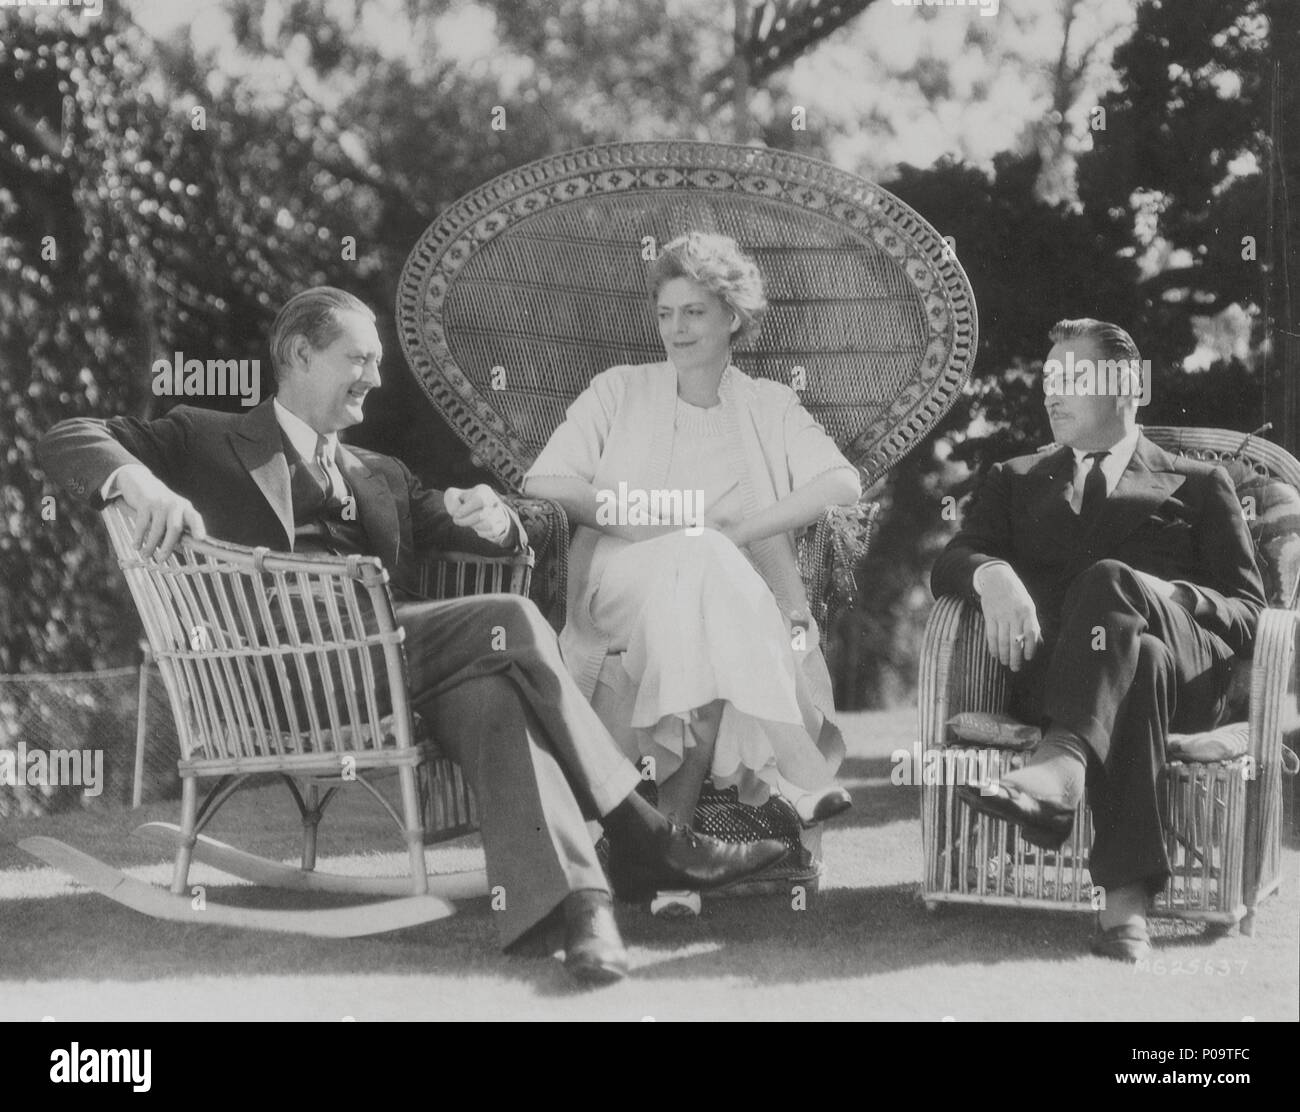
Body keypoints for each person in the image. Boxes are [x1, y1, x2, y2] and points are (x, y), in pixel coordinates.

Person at [37, 286, 788, 986]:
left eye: (377, 364)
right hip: (284, 679)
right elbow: (69, 434)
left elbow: (483, 525)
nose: (373, 378)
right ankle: (643, 835)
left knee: (497, 689)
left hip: (397, 673)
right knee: (509, 621)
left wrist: (495, 517)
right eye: (357, 360)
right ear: (299, 354)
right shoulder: (205, 436)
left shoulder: (380, 473)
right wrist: (138, 482)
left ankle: (584, 912)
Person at [523, 232, 860, 892]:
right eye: (666, 314)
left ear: (732, 316)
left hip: (731, 601)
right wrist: (638, 517)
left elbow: (840, 483)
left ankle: (669, 853)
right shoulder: (620, 390)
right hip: (621, 585)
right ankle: (803, 768)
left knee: (703, 590)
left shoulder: (768, 404)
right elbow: (545, 481)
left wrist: (741, 528)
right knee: (699, 557)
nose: (676, 330)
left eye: (695, 313)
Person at [932, 318, 1266, 961]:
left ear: (1129, 386)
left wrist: (1163, 593)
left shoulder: (1200, 483)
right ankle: (1125, 909)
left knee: (1115, 586)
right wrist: (993, 575)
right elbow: (952, 557)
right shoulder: (1015, 477)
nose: (1052, 394)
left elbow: (1251, 613)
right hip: (1063, 680)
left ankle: (1059, 768)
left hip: (1190, 682)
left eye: (1071, 377)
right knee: (1136, 658)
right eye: (1048, 380)